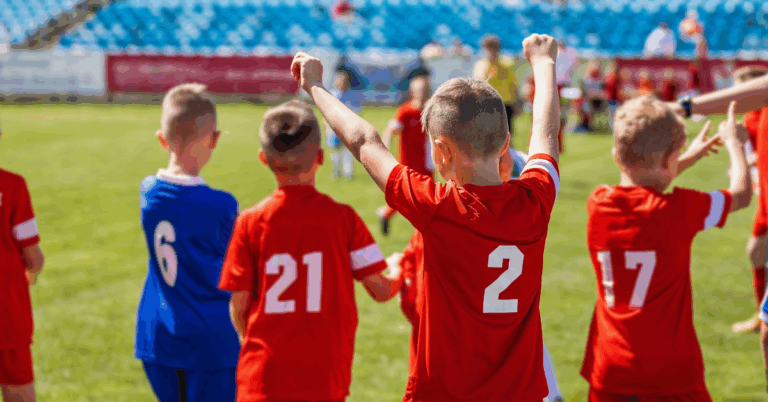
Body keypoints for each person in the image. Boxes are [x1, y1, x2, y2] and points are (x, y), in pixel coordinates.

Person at [291, 32, 561, 400]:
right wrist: (544, 65)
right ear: (504, 144)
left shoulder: (436, 207)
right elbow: (544, 138)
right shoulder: (536, 200)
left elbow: (364, 141)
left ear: (440, 152)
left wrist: (315, 86)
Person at [219, 99, 402, 402]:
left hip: (262, 378)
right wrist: (398, 271)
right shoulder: (344, 220)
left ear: (264, 159)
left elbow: (238, 305)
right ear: (319, 157)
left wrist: (248, 339)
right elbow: (380, 290)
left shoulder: (249, 223)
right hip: (323, 378)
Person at [581, 96, 750, 401]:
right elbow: (741, 194)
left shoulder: (598, 203)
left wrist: (684, 159)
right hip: (670, 372)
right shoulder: (680, 209)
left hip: (609, 365)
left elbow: (646, 181)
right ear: (668, 160)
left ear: (617, 156)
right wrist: (734, 143)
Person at [383, 148, 565, 402]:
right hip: (514, 380)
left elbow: (415, 305)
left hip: (451, 378)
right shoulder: (529, 209)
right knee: (525, 327)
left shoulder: (439, 221)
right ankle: (554, 393)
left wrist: (397, 270)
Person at [135, 83, 240, 402]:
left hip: (158, 335)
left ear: (161, 138)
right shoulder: (221, 205)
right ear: (215, 139)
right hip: (211, 337)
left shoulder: (149, 192)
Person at [0, 154, 44, 402]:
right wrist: (32, 273)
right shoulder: (11, 185)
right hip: (6, 312)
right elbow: (32, 256)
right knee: (18, 390)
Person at [730, 66, 768, 334]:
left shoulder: (760, 113)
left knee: (755, 251)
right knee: (756, 252)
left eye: (741, 87)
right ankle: (761, 316)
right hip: (763, 194)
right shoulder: (752, 114)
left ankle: (761, 317)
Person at [377, 75, 433, 235]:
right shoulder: (405, 111)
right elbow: (390, 130)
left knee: (428, 198)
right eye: (420, 91)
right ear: (412, 93)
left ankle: (425, 233)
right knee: (404, 199)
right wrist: (385, 149)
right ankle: (386, 214)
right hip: (408, 164)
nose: (424, 94)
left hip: (427, 164)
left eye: (426, 91)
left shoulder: (430, 112)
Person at [473, 34, 520, 140]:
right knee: (489, 134)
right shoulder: (481, 65)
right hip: (487, 103)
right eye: (488, 48)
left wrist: (517, 100)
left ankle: (506, 155)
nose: (491, 52)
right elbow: (478, 86)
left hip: (505, 103)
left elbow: (513, 84)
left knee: (506, 134)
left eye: (494, 48)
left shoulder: (507, 63)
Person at [327, 69, 363, 180]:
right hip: (333, 127)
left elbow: (358, 109)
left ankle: (348, 173)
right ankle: (336, 172)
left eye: (343, 81)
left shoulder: (352, 95)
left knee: (347, 150)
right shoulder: (331, 94)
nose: (341, 83)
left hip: (348, 127)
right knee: (335, 151)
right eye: (339, 80)